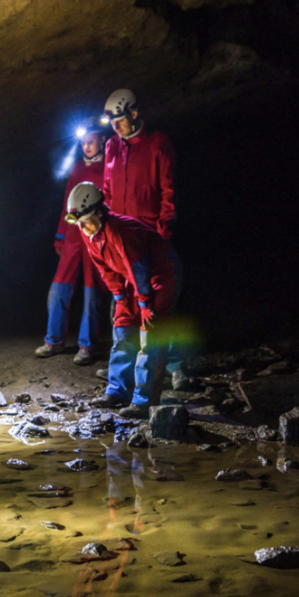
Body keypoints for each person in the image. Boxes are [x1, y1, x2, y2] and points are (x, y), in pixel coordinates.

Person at [64, 182, 179, 418]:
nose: (81, 227)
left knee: (149, 336)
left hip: (161, 274)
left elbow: (139, 267)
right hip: (133, 278)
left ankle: (144, 401)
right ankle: (118, 391)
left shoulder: (119, 230)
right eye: (78, 222)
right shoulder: (89, 231)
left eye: (84, 221)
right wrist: (120, 296)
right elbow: (105, 268)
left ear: (99, 212)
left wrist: (145, 304)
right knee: (122, 329)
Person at [101, 87, 183, 370]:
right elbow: (107, 191)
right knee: (123, 304)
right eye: (111, 122)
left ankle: (174, 367)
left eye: (120, 119)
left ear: (134, 113)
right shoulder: (112, 146)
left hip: (149, 238)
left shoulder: (158, 144)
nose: (115, 126)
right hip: (121, 242)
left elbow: (168, 193)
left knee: (160, 303)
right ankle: (125, 369)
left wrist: (162, 235)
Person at [35, 115, 108, 365]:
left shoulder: (109, 166)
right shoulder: (77, 167)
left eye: (91, 141)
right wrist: (61, 236)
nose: (86, 146)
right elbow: (68, 203)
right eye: (83, 142)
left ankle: (86, 346)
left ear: (101, 140)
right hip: (75, 235)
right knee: (59, 288)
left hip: (96, 234)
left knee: (92, 291)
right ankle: (53, 341)